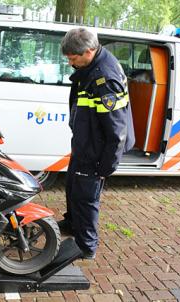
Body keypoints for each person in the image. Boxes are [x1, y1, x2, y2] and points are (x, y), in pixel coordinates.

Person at [58, 28, 135, 259]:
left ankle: (86, 246)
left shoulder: (105, 79)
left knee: (86, 198)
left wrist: (106, 166)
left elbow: (116, 130)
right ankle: (73, 224)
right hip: (85, 142)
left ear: (89, 51)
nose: (71, 63)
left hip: (95, 150)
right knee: (72, 187)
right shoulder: (91, 66)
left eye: (73, 58)